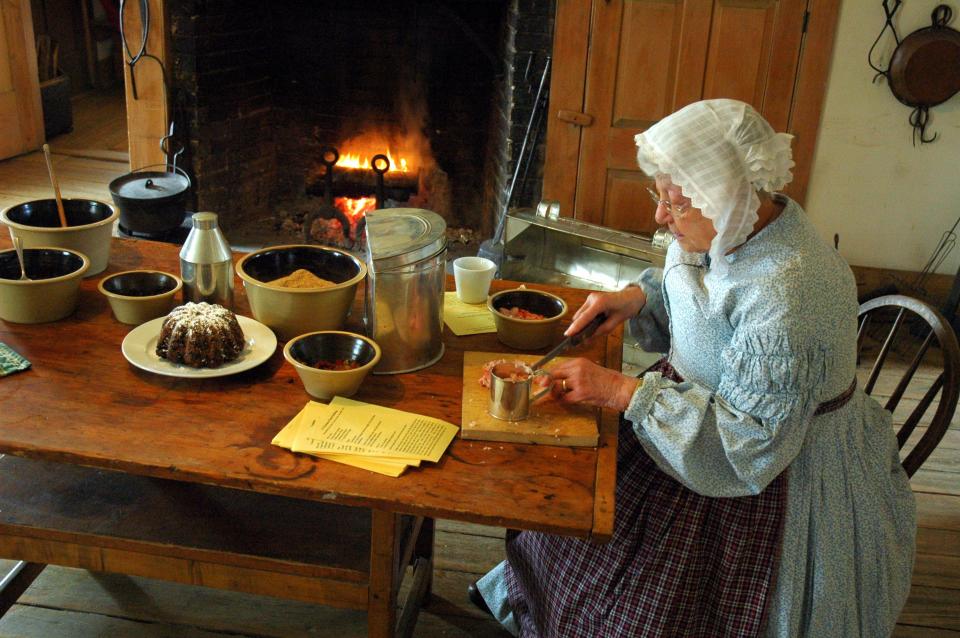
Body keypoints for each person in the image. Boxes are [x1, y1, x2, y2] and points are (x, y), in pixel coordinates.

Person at [471, 99, 915, 637]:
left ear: (729, 197)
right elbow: (704, 294)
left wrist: (620, 391)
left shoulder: (789, 292)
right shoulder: (731, 224)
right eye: (659, 197)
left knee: (639, 610)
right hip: (687, 414)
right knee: (571, 515)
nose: (660, 216)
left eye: (676, 205)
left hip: (759, 466)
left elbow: (748, 447)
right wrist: (640, 296)